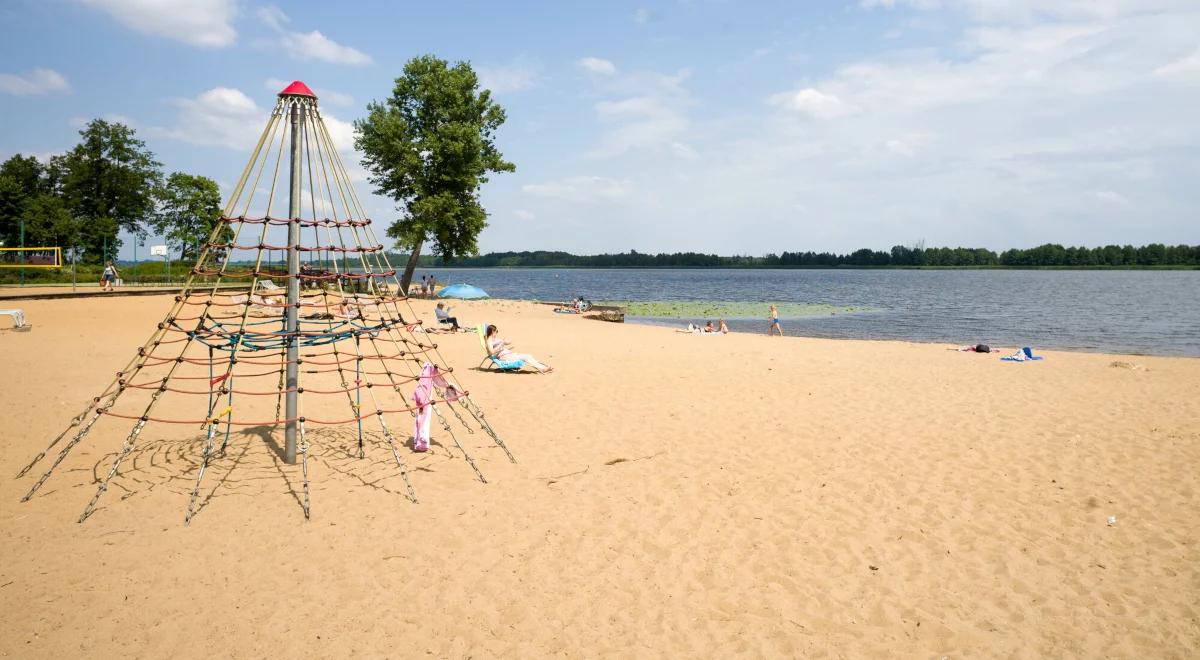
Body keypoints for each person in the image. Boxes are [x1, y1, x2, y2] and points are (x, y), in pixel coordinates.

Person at [485, 324, 552, 373]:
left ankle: (542, 368)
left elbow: (504, 343)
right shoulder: (489, 341)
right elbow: (492, 352)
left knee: (528, 355)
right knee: (526, 357)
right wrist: (502, 343)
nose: (497, 332)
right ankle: (543, 369)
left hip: (509, 354)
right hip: (504, 357)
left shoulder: (495, 339)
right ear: (492, 331)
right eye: (496, 331)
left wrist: (506, 342)